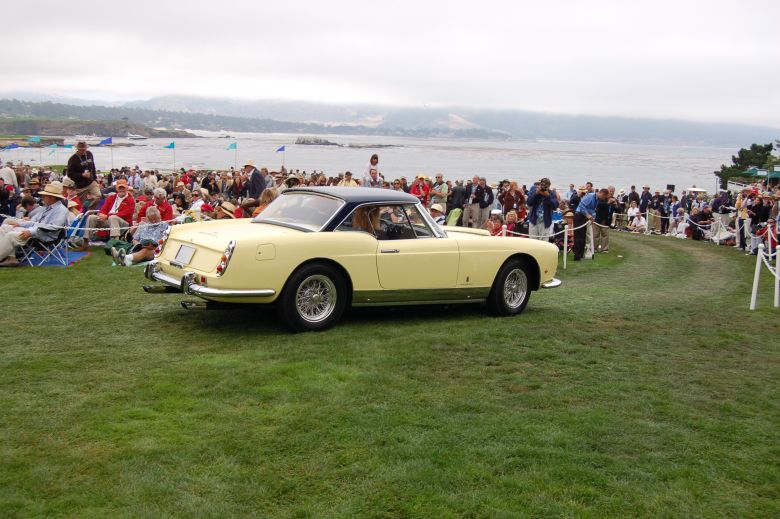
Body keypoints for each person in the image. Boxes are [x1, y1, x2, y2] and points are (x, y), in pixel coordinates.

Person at [0, 181, 69, 266]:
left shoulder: (61, 210)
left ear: (52, 197)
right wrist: (20, 224)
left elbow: (53, 227)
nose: (42, 197)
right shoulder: (46, 208)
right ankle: (11, 257)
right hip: (34, 231)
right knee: (5, 228)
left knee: (11, 235)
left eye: (44, 196)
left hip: (44, 236)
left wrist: (31, 232)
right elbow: (33, 221)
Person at [573, 188, 609, 260]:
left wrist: (593, 217)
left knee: (583, 237)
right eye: (604, 197)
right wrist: (587, 215)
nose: (604, 199)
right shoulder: (590, 196)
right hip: (579, 216)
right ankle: (577, 256)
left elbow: (593, 209)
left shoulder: (597, 200)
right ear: (602, 194)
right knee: (579, 237)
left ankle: (580, 255)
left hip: (585, 217)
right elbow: (582, 205)